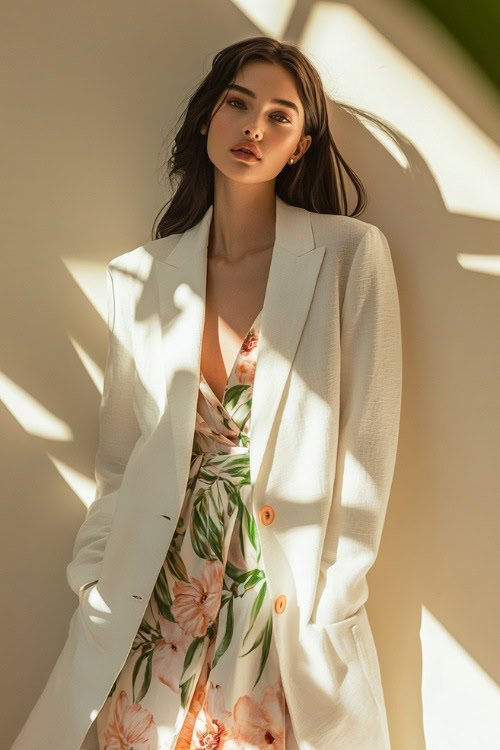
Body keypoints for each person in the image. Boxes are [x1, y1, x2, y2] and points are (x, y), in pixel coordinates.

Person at [12, 36, 402, 750]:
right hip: (155, 595)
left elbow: (366, 455)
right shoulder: (142, 275)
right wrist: (95, 582)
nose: (254, 128)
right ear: (205, 119)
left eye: (280, 117)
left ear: (302, 146)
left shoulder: (349, 256)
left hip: (281, 606)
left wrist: (333, 601)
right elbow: (121, 462)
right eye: (238, 104)